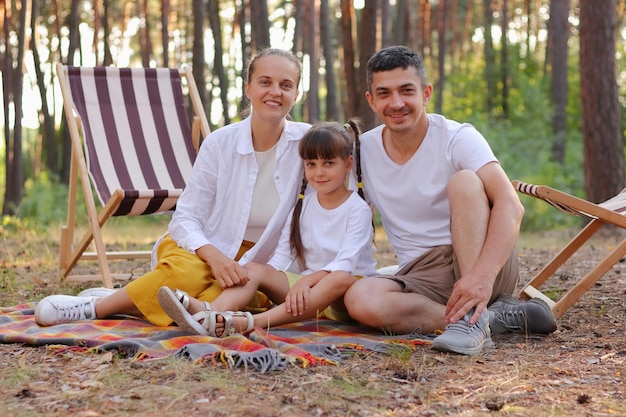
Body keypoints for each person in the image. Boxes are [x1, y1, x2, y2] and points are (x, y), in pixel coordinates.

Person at [35, 48, 312, 327]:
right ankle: (97, 307)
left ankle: (129, 300)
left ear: (296, 94)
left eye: (285, 85)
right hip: (203, 247)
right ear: (248, 88)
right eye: (265, 82)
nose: (275, 91)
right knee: (187, 274)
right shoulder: (219, 143)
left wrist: (265, 270)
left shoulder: (308, 145)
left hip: (257, 261)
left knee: (230, 293)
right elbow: (185, 218)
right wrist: (214, 257)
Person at [343, 45, 556, 355]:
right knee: (359, 299)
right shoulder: (363, 151)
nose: (397, 103)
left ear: (426, 93)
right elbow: (342, 215)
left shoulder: (457, 137)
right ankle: (490, 317)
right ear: (371, 100)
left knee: (466, 181)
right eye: (385, 93)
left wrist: (480, 278)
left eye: (407, 91)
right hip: (422, 274)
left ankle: (471, 317)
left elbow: (511, 204)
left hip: (480, 259)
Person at [157, 121, 378, 337]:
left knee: (340, 277)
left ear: (348, 163)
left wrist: (307, 281)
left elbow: (345, 264)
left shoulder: (357, 210)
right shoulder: (303, 206)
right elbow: (283, 253)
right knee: (255, 268)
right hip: (306, 291)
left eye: (328, 163)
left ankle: (248, 322)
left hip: (343, 294)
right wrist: (264, 278)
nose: (319, 172)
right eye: (311, 164)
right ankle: (209, 314)